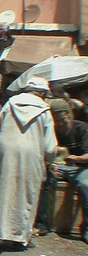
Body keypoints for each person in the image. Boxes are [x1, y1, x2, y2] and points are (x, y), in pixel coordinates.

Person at [0, 77, 57, 250]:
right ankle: (17, 237)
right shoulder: (45, 111)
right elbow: (50, 147)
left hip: (4, 151)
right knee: (24, 194)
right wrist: (51, 161)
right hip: (31, 155)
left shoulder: (11, 103)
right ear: (42, 93)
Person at [47, 99, 88, 244]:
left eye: (63, 119)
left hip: (81, 166)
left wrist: (77, 158)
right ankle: (45, 222)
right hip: (62, 166)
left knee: (85, 185)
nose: (60, 123)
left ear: (69, 115)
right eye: (57, 121)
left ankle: (86, 229)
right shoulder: (54, 130)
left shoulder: (81, 128)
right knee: (45, 178)